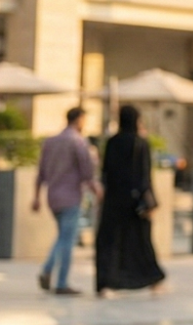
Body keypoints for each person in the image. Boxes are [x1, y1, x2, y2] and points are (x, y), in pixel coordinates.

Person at [94, 105, 165, 296]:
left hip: (113, 200)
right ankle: (152, 280)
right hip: (134, 203)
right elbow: (144, 176)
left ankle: (106, 283)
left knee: (110, 243)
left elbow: (106, 172)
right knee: (141, 242)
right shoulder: (140, 143)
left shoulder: (112, 142)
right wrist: (149, 201)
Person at [33, 107, 100, 296]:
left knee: (62, 236)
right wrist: (96, 190)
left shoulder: (50, 142)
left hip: (53, 196)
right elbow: (87, 171)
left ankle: (50, 272)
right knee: (67, 240)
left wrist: (36, 197)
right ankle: (59, 279)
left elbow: (41, 172)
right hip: (71, 196)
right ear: (79, 119)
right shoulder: (77, 141)